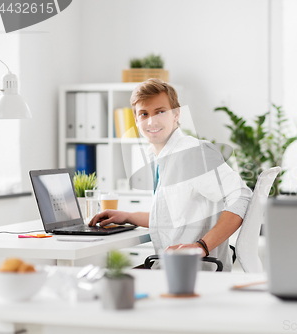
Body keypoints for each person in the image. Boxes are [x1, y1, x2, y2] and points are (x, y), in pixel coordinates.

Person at [90, 79, 252, 271]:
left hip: (191, 272)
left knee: (105, 280)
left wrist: (202, 246)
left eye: (160, 111)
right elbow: (172, 218)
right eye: (144, 114)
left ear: (176, 114)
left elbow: (242, 196)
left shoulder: (193, 153)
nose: (151, 121)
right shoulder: (164, 157)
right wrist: (127, 216)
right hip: (173, 267)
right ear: (136, 120)